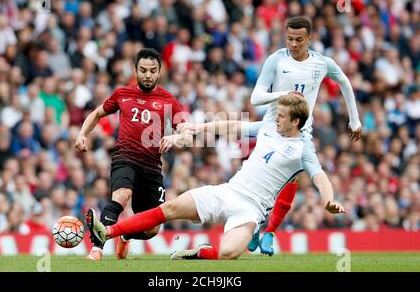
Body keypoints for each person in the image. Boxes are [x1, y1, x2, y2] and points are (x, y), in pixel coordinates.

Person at [85, 94, 346, 260]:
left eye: (281, 116)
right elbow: (231, 126)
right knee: (171, 207)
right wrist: (198, 127)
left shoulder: (303, 148)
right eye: (276, 114)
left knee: (228, 253)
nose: (275, 118)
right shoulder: (267, 127)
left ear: (296, 122)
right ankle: (107, 232)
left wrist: (329, 200)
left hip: (251, 210)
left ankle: (198, 253)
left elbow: (320, 176)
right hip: (228, 191)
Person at [246, 16, 362, 255]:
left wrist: (354, 120)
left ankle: (270, 232)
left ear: (309, 39)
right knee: (264, 180)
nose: (293, 44)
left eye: (299, 39)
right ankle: (256, 225)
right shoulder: (276, 60)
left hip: (300, 132)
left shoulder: (322, 63)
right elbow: (256, 98)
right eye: (289, 38)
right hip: (272, 127)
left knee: (292, 178)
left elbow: (344, 82)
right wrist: (282, 95)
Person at [75, 48, 186, 260]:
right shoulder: (122, 94)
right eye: (143, 70)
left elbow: (185, 130)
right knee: (121, 195)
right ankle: (97, 248)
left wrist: (175, 138)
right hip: (124, 158)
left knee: (153, 229)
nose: (148, 74)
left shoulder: (168, 100)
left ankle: (124, 235)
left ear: (159, 72)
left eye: (153, 70)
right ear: (135, 70)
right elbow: (97, 113)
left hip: (152, 166)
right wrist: (82, 134)